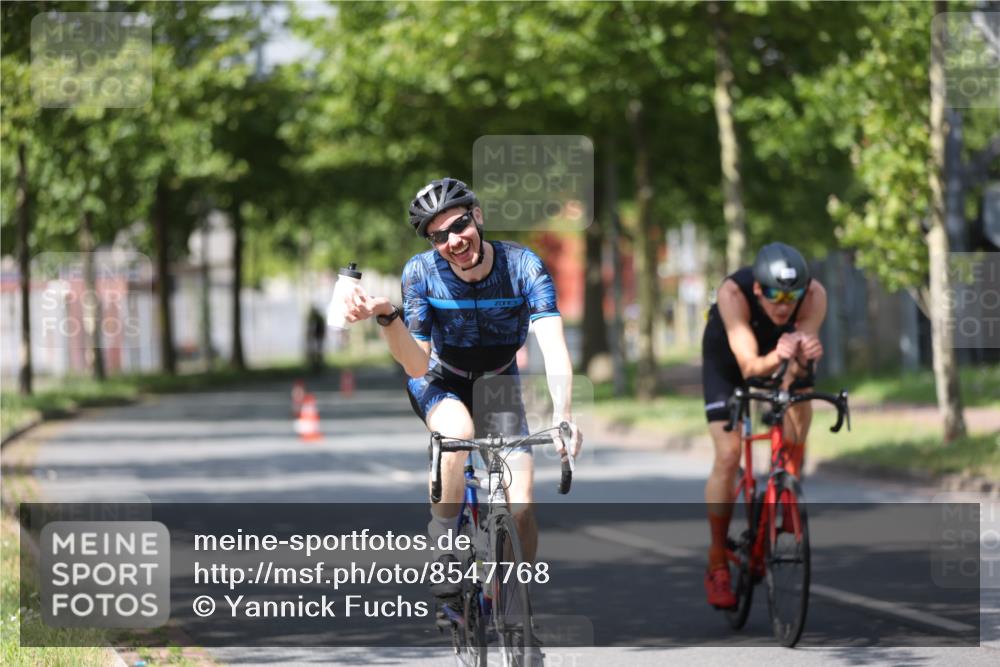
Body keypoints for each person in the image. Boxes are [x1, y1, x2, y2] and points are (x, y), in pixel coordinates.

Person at [338, 176, 583, 589]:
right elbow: (416, 364)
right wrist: (386, 315)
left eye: (459, 226)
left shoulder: (523, 266)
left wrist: (564, 415)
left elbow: (554, 348)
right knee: (458, 432)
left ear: (479, 217)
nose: (453, 240)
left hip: (498, 381)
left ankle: (514, 608)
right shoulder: (421, 273)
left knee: (521, 507)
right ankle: (444, 543)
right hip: (441, 378)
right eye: (438, 236)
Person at [700, 242, 827, 609]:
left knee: (799, 400)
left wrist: (803, 359)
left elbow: (797, 374)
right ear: (759, 289)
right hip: (731, 362)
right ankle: (717, 560)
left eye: (792, 295)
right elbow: (750, 367)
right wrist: (780, 354)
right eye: (774, 294)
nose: (784, 304)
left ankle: (786, 484)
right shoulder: (733, 294)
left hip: (783, 352)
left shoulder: (815, 296)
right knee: (728, 455)